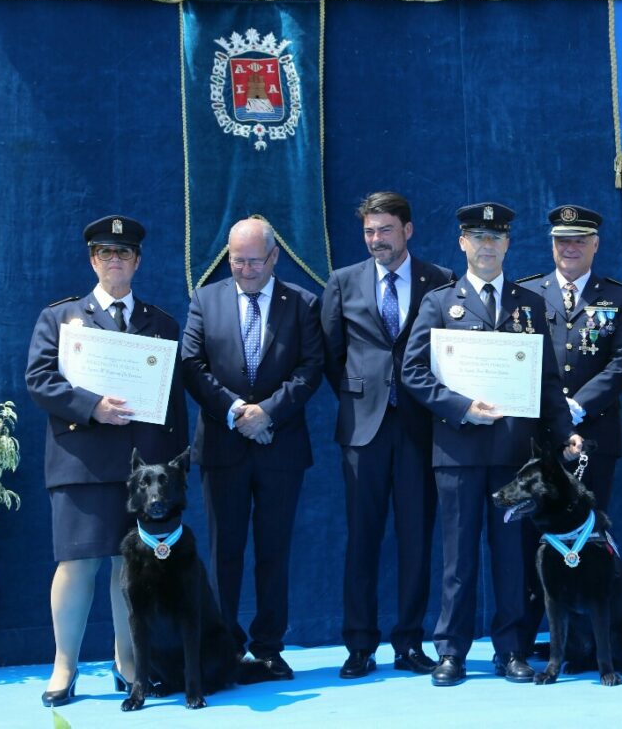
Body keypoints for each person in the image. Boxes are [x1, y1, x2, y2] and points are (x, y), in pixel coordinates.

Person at [402, 202, 583, 687]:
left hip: (512, 458)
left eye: (495, 238)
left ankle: (512, 650)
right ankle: (452, 653)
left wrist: (565, 432)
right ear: (462, 243)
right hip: (458, 454)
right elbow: (413, 373)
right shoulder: (440, 303)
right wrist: (461, 407)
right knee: (458, 559)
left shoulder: (531, 303)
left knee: (511, 559)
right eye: (477, 238)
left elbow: (546, 381)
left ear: (507, 244)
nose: (486, 246)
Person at [26, 215, 188, 707]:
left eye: (123, 254)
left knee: (130, 566)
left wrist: (172, 470)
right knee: (76, 564)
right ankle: (64, 666)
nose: (113, 260)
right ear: (92, 260)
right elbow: (40, 381)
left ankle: (128, 661)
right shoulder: (60, 318)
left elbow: (172, 404)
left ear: (137, 261)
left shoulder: (161, 323)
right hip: (82, 463)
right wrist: (91, 406)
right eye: (104, 253)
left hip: (143, 477)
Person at [181, 215, 324, 682]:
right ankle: (225, 650)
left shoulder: (302, 303)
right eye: (237, 261)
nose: (245, 270)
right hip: (223, 449)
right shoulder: (205, 299)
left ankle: (268, 648)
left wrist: (269, 414)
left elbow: (310, 368)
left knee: (273, 552)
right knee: (225, 553)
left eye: (254, 261)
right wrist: (238, 412)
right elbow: (192, 364)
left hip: (281, 449)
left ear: (274, 257)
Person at [320, 192, 454, 679]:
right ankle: (359, 645)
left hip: (421, 427)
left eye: (386, 230)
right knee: (362, 538)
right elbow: (332, 354)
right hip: (364, 428)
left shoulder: (439, 280)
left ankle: (410, 642)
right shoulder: (342, 282)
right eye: (370, 232)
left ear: (408, 230)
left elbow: (447, 353)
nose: (376, 240)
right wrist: (361, 392)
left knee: (416, 539)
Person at [515, 204, 622, 654]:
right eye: (561, 241)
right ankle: (530, 639)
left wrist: (576, 406)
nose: (570, 248)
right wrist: (554, 413)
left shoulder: (619, 297)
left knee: (589, 543)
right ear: (551, 245)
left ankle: (593, 644)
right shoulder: (526, 294)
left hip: (594, 438)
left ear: (595, 244)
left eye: (579, 240)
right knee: (533, 544)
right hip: (541, 443)